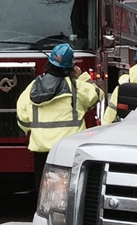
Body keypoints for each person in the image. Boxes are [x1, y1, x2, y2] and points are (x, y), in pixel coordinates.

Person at [15, 43, 103, 189]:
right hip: (69, 150)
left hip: (41, 153)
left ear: (49, 63)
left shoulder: (32, 88)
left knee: (45, 195)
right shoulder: (77, 87)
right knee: (68, 196)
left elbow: (22, 120)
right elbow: (97, 95)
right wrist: (82, 76)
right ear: (71, 67)